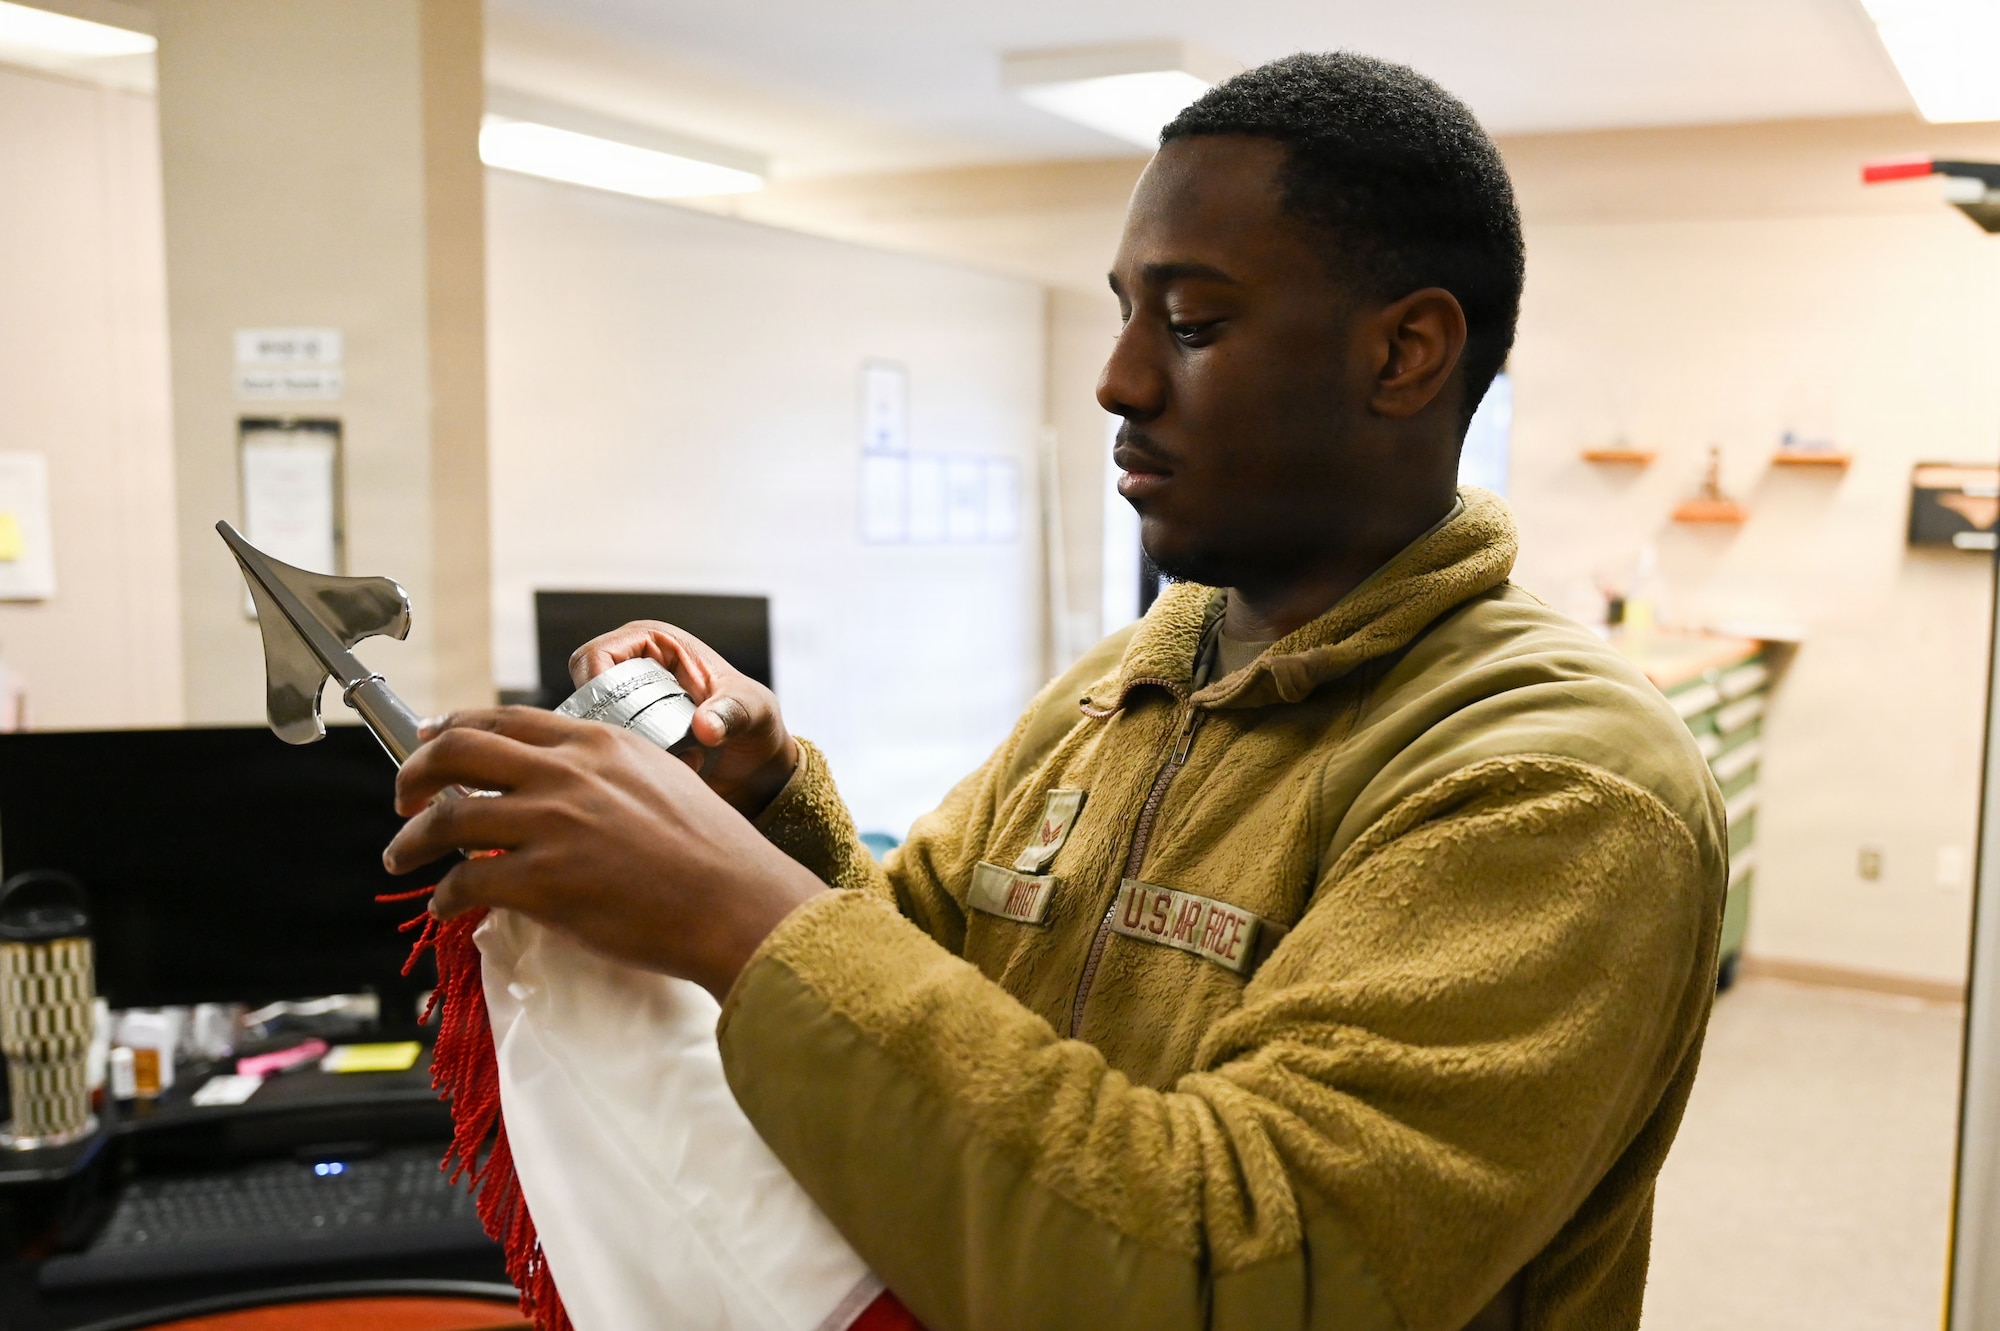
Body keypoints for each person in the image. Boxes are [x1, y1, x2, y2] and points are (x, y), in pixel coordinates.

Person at [385, 52, 1725, 1331]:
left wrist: (731, 910)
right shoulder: (1138, 677)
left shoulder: (1553, 783)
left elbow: (1234, 1284)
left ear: (1404, 355)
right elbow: (923, 1003)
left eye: (1192, 323)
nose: (1119, 378)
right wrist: (767, 814)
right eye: (1126, 310)